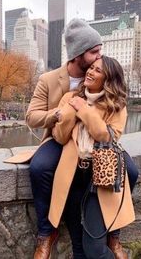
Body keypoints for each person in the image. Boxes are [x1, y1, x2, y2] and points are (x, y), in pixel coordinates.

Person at [27, 18, 103, 259]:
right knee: (39, 168)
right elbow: (31, 116)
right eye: (94, 51)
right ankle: (46, 233)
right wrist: (57, 113)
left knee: (129, 170)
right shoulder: (48, 79)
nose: (99, 55)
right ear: (78, 54)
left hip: (90, 140)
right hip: (59, 139)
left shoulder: (100, 74)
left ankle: (114, 236)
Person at [49, 55, 135, 258]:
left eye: (97, 70)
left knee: (94, 249)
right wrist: (70, 110)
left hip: (99, 180)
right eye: (91, 68)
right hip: (71, 176)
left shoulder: (116, 105)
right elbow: (60, 137)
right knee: (78, 246)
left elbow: (105, 136)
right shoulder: (70, 97)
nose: (90, 72)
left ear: (108, 78)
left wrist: (85, 110)